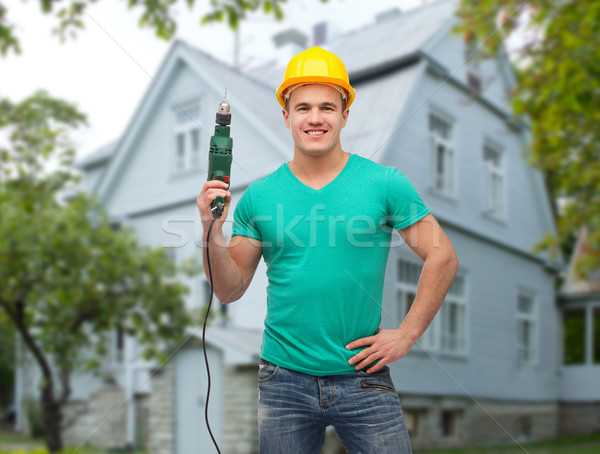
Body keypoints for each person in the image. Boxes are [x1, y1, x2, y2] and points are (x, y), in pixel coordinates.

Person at [197, 47, 458, 454]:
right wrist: (209, 228)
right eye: (302, 107)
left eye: (326, 107)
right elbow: (228, 290)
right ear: (286, 116)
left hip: (363, 378)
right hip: (282, 382)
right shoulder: (260, 197)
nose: (315, 118)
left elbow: (443, 256)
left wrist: (407, 335)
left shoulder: (384, 183)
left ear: (344, 114)